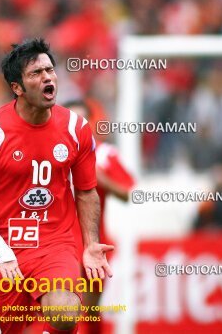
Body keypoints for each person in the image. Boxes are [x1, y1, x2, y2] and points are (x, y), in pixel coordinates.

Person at [0, 38, 113, 334]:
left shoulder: (76, 128)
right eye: (35, 73)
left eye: (50, 70)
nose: (47, 77)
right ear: (17, 87)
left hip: (52, 240)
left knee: (65, 313)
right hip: (0, 247)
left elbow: (85, 191)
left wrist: (90, 243)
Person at [65, 100, 135, 334]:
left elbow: (127, 192)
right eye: (71, 120)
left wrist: (100, 178)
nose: (77, 126)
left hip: (94, 241)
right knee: (63, 308)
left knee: (91, 311)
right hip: (60, 243)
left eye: (82, 120)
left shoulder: (103, 155)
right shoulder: (51, 153)